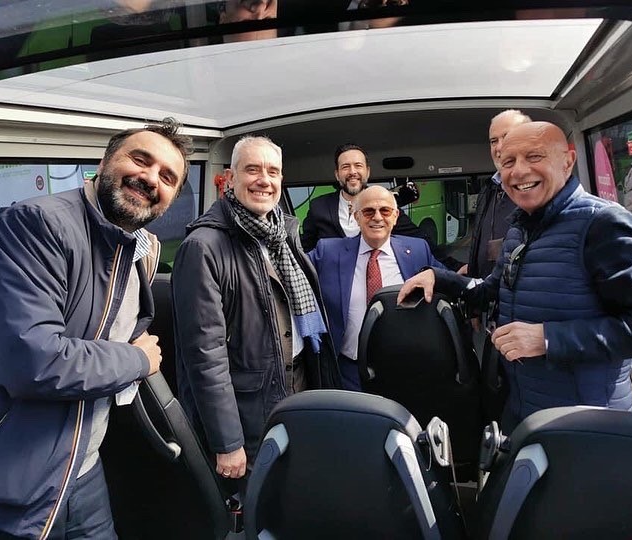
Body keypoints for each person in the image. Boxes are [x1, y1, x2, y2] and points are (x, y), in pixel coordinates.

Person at [0, 119, 192, 538]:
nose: (151, 178)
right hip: (7, 478)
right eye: (140, 159)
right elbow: (33, 362)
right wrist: (138, 359)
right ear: (104, 161)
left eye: (167, 177)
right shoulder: (37, 225)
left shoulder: (135, 250)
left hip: (82, 468)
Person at [398, 121, 632, 432]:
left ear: (567, 161)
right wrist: (438, 277)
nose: (518, 171)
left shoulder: (603, 224)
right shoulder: (520, 229)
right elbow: (490, 291)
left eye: (534, 156)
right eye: (508, 162)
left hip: (586, 423)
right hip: (522, 410)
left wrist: (547, 338)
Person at [173, 135, 340, 482]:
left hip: (297, 385)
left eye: (273, 172)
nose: (264, 180)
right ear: (230, 179)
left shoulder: (284, 234)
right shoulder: (202, 247)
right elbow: (205, 356)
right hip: (248, 410)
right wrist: (228, 442)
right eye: (252, 170)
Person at [309, 185, 446, 390]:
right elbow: (293, 271)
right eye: (368, 211)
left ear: (396, 216)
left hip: (404, 369)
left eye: (385, 211)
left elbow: (445, 280)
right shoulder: (328, 252)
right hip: (348, 373)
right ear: (356, 217)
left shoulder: (418, 250)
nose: (377, 217)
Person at [300, 143, 435, 253]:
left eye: (358, 166)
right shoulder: (318, 207)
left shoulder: (386, 206)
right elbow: (303, 251)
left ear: (368, 172)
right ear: (337, 174)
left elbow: (423, 242)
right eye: (345, 167)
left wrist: (444, 271)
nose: (352, 172)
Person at [460, 109, 531, 278]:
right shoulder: (489, 189)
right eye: (494, 141)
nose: (499, 147)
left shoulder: (540, 192)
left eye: (507, 137)